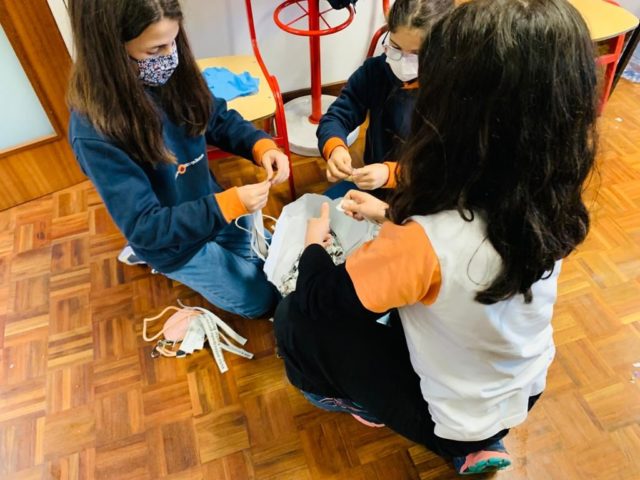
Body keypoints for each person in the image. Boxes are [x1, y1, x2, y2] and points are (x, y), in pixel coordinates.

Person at [275, 0, 598, 474]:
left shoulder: (424, 239)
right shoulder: (550, 197)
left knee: (294, 316)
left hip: (449, 416)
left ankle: (450, 441)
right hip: (523, 388)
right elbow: (457, 254)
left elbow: (321, 299)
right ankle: (479, 437)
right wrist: (388, 212)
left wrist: (312, 246)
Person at [67, 0, 287, 318]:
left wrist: (259, 145)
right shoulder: (95, 133)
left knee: (281, 266)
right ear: (112, 50)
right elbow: (146, 225)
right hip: (170, 242)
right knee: (263, 302)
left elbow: (214, 116)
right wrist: (229, 205)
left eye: (173, 41)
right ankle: (148, 256)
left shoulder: (171, 73)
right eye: (155, 50)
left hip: (207, 207)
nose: (170, 56)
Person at [316, 0, 453, 199]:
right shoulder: (375, 72)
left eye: (416, 54)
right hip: (376, 186)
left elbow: (448, 169)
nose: (403, 61)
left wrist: (392, 174)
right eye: (395, 48)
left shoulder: (452, 92)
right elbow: (336, 116)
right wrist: (335, 148)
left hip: (426, 194)